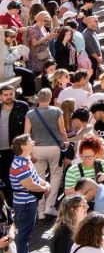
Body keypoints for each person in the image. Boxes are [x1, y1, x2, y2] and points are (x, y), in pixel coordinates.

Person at [8, 134, 48, 253]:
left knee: (26, 233)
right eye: (30, 141)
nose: (33, 142)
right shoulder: (20, 163)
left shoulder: (25, 160)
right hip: (25, 204)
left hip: (29, 202)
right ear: (23, 146)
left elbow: (35, 178)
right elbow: (29, 184)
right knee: (23, 235)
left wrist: (44, 183)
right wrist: (44, 188)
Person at [25, 88, 68, 218]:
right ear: (50, 99)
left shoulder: (30, 114)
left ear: (38, 99)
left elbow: (26, 134)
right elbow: (62, 130)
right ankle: (50, 205)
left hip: (37, 149)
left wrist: (28, 151)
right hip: (54, 148)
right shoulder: (56, 111)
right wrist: (66, 142)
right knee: (56, 174)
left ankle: (40, 210)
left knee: (39, 176)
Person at [0, 84, 29, 202]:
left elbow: (28, 127)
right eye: (5, 95)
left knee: (16, 177)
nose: (8, 97)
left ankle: (16, 202)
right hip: (1, 150)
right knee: (3, 177)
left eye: (11, 94)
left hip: (16, 149)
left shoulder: (22, 106)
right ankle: (8, 203)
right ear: (1, 96)